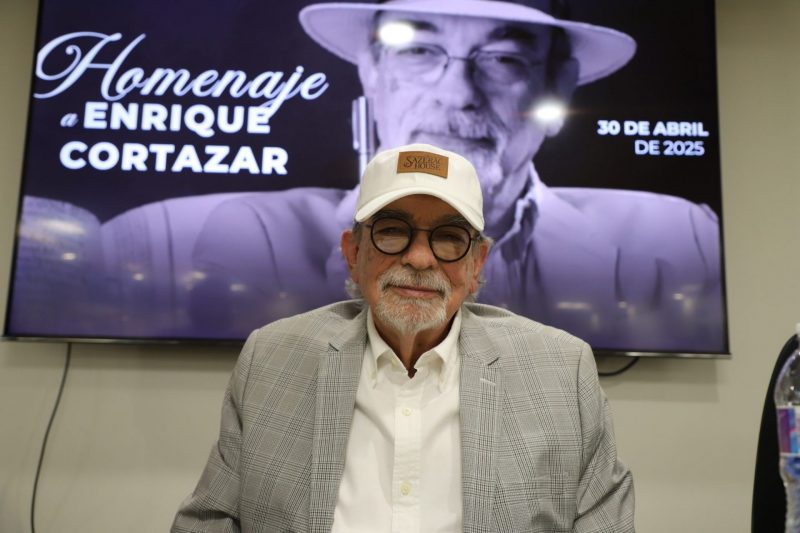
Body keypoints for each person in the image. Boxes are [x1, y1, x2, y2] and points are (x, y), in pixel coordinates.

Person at [190, 0, 723, 353]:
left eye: (504, 59)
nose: (458, 93)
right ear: (371, 72)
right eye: (419, 51)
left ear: (557, 86)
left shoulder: (680, 241)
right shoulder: (252, 235)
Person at [172, 143, 635, 532]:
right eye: (393, 231)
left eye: (449, 237)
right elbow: (209, 521)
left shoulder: (563, 371)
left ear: (476, 264)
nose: (419, 258)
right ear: (353, 253)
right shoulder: (271, 359)